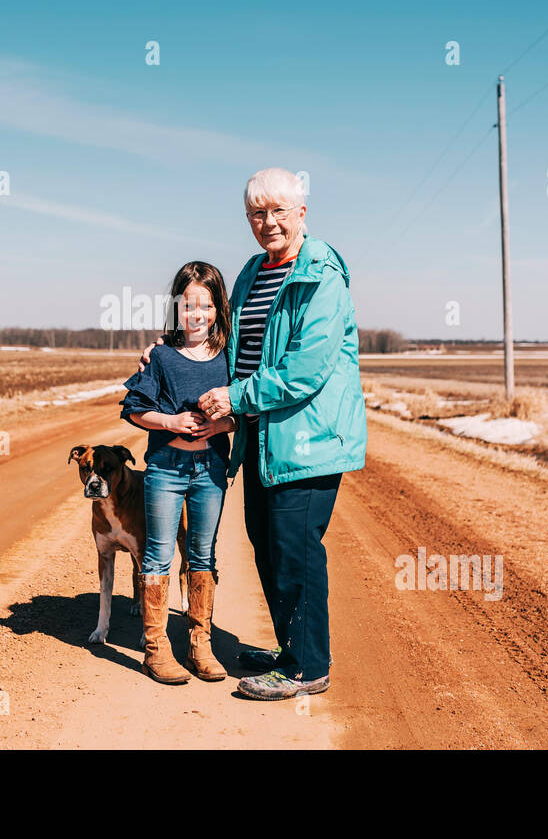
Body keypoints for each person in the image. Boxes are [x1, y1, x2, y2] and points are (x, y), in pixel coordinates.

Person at [140, 167, 366, 700]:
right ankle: (293, 647)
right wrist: (164, 350)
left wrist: (236, 399)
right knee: (267, 547)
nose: (269, 222)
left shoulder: (321, 277)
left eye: (279, 211)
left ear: (302, 213)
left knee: (296, 552)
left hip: (306, 441)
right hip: (263, 441)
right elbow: (226, 339)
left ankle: (308, 669)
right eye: (257, 213)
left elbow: (305, 368)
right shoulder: (250, 272)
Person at [119, 262, 236, 684]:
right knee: (158, 555)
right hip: (166, 471)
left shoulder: (229, 358)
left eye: (205, 305)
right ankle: (155, 649)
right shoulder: (163, 357)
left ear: (218, 309)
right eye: (189, 306)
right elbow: (133, 408)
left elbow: (247, 409)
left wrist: (221, 425)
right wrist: (169, 423)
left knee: (203, 556)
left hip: (210, 472)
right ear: (176, 308)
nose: (197, 315)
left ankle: (200, 646)